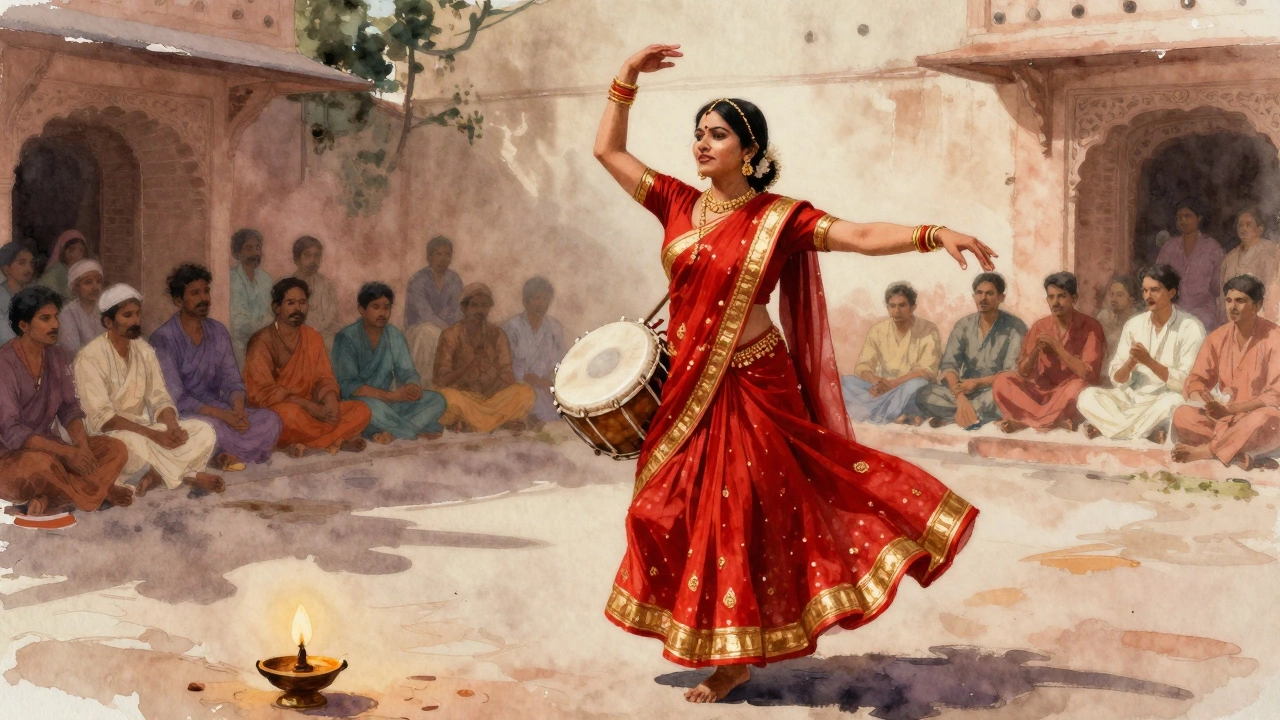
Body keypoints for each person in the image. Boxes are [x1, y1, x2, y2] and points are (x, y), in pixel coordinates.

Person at [592, 45, 988, 703]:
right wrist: (625, 79)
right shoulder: (676, 203)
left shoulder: (780, 218)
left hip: (754, 381)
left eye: (716, 134)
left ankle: (732, 657)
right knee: (660, 509)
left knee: (742, 512)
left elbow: (859, 236)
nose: (701, 144)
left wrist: (931, 232)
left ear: (749, 149)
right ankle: (720, 643)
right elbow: (609, 153)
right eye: (697, 133)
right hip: (692, 383)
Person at [74, 284, 223, 495]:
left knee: (204, 431)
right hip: (112, 436)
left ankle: (158, 475)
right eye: (127, 315)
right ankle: (185, 475)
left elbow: (159, 396)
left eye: (137, 314)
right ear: (108, 322)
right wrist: (154, 435)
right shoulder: (90, 357)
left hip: (146, 430)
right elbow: (103, 418)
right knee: (131, 448)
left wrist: (171, 425)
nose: (135, 321)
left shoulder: (144, 350)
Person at [0, 286, 132, 518]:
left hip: (52, 452)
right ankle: (94, 498)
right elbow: (12, 431)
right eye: (45, 318)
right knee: (40, 465)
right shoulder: (4, 363)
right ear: (24, 326)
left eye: (56, 317)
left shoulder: (57, 356)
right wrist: (69, 454)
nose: (55, 325)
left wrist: (81, 448)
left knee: (116, 449)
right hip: (11, 459)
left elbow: (70, 409)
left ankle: (48, 499)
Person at [151, 264, 283, 470]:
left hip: (221, 408)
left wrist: (238, 412)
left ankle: (222, 454)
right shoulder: (163, 338)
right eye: (195, 293)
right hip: (187, 414)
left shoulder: (218, 331)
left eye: (206, 291)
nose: (204, 298)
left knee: (271, 420)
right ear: (178, 300)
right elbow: (176, 397)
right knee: (209, 429)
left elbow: (231, 379)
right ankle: (218, 455)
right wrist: (223, 416)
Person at [1077, 265, 1206, 443]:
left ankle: (1110, 429)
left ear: (1171, 292)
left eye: (1154, 290)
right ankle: (1145, 433)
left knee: (1174, 402)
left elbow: (1187, 383)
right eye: (1144, 291)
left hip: (1162, 400)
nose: (1147, 296)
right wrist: (1130, 363)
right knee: (1087, 397)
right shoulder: (1134, 325)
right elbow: (1117, 379)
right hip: (1131, 399)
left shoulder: (1191, 328)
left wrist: (1149, 362)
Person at [244, 278, 371, 457]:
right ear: (276, 307)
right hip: (283, 410)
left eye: (303, 302)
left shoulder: (313, 337)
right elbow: (261, 392)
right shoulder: (261, 341)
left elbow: (324, 378)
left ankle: (313, 443)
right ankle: (335, 439)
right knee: (286, 416)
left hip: (313, 412)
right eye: (291, 303)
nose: (298, 309)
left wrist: (331, 400)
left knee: (361, 410)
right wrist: (309, 407)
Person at [1172, 275, 1280, 470]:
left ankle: (1206, 452)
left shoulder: (1275, 338)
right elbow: (1196, 379)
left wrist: (1231, 410)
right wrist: (1205, 399)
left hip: (1256, 420)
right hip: (1223, 419)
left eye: (1240, 301)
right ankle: (1238, 455)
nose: (1232, 307)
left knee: (1268, 416)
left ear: (1258, 305)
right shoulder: (1218, 337)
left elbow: (1274, 396)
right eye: (1228, 300)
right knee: (1182, 415)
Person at [332, 282, 447, 443]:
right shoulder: (346, 337)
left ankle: (387, 432)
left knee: (437, 400)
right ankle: (412, 429)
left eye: (386, 307)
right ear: (362, 310)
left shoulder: (394, 334)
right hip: (360, 404)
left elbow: (407, 371)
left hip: (391, 404)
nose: (382, 313)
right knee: (367, 409)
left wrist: (412, 386)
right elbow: (348, 386)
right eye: (376, 307)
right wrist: (391, 396)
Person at [992, 272, 1105, 433]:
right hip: (1039, 395)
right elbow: (1023, 372)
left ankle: (1026, 422)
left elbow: (1090, 374)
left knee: (1080, 387)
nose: (1055, 302)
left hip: (1067, 395)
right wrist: (1036, 351)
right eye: (1051, 297)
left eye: (1061, 296)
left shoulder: (1091, 327)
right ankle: (1048, 421)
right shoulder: (1040, 327)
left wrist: (1058, 347)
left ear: (1074, 298)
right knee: (1002, 380)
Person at [915, 273, 1027, 429]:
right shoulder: (964, 324)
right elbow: (949, 366)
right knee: (923, 393)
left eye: (989, 293)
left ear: (1001, 297)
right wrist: (960, 398)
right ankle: (970, 415)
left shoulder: (1016, 327)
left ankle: (955, 418)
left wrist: (977, 383)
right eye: (979, 293)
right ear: (974, 296)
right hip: (963, 391)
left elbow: (1010, 374)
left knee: (1010, 393)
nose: (983, 298)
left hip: (994, 391)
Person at [433, 283, 536, 433]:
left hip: (491, 399)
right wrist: (469, 364)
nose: (480, 311)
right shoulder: (451, 335)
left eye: (484, 306)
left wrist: (493, 390)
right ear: (464, 308)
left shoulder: (497, 334)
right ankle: (499, 422)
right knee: (445, 399)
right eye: (474, 305)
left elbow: (507, 373)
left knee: (525, 392)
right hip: (463, 398)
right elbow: (440, 380)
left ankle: (473, 424)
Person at [840, 282, 940, 424]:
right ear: (887, 307)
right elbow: (863, 366)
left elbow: (927, 370)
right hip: (882, 386)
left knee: (917, 385)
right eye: (892, 306)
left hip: (909, 387)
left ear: (913, 307)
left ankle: (881, 414)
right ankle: (897, 412)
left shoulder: (928, 329)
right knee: (843, 382)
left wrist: (893, 384)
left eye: (902, 305)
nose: (897, 310)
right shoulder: (878, 330)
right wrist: (877, 382)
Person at [501, 276, 567, 425]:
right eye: (536, 298)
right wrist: (527, 378)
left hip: (547, 387)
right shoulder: (511, 328)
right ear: (525, 301)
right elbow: (505, 364)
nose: (541, 304)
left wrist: (551, 381)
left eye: (545, 299)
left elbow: (562, 361)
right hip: (520, 386)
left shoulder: (555, 327)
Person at [1156, 198, 1223, 331]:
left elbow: (1219, 287)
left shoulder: (1212, 248)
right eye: (1179, 217)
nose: (1183, 221)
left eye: (1188, 216)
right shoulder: (1169, 247)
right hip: (1174, 310)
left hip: (1204, 313)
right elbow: (1158, 280)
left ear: (1198, 218)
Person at [1219, 207, 1280, 318]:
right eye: (1240, 225)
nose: (1243, 229)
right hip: (1233, 318)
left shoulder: (1271, 253)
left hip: (1262, 318)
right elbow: (1223, 293)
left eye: (1248, 224)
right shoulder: (1230, 258)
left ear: (1260, 228)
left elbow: (1273, 294)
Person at [291, 235, 345, 349]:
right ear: (297, 259)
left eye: (316, 256)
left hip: (323, 337)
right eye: (307, 255)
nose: (313, 260)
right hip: (294, 337)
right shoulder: (287, 285)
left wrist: (314, 332)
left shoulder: (327, 285)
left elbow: (331, 317)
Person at [229, 228, 274, 366]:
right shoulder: (232, 278)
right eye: (249, 248)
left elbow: (272, 312)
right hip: (240, 345)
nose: (255, 253)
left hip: (266, 341)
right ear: (237, 253)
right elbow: (238, 323)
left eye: (257, 248)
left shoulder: (266, 278)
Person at [405, 236, 464, 329]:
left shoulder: (455, 279)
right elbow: (425, 315)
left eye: (447, 254)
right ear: (429, 257)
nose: (443, 259)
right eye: (438, 254)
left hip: (449, 329)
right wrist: (447, 329)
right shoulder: (417, 280)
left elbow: (458, 311)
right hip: (420, 329)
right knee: (429, 331)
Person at [57, 259, 106, 354]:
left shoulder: (104, 310)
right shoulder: (68, 313)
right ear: (76, 287)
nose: (95, 287)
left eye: (98, 282)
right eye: (88, 282)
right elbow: (72, 350)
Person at [1095, 274, 1141, 372]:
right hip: (1105, 371)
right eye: (1111, 294)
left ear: (1132, 299)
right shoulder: (1103, 317)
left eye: (1119, 295)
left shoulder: (1139, 320)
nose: (1113, 299)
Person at [0, 242, 36, 345]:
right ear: (7, 270)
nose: (29, 269)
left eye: (31, 263)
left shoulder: (34, 294)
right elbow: (6, 337)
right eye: (22, 263)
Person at [36, 229, 89, 298]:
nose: (76, 254)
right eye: (71, 249)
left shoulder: (83, 273)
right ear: (62, 251)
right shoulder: (53, 274)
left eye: (81, 250)